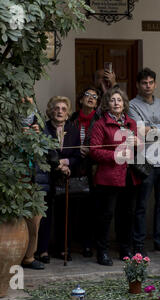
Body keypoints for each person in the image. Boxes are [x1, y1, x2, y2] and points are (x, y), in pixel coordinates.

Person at [89, 87, 141, 266]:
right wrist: (114, 156)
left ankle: (125, 249)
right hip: (108, 176)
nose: (116, 103)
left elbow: (139, 150)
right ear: (106, 104)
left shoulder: (131, 123)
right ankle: (102, 251)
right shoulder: (100, 125)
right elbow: (94, 152)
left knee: (127, 214)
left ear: (124, 103)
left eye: (119, 100)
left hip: (129, 175)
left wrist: (138, 143)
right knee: (106, 215)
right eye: (112, 100)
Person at [128, 67, 160, 254]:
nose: (147, 86)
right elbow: (139, 129)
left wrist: (151, 127)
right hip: (145, 162)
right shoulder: (132, 105)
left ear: (155, 84)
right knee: (141, 206)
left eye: (150, 83)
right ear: (138, 85)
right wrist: (159, 127)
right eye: (144, 83)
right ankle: (138, 244)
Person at [36, 96, 81, 263]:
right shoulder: (43, 129)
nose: (60, 111)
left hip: (66, 179)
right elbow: (42, 153)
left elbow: (78, 156)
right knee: (45, 216)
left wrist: (67, 163)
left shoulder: (73, 130)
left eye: (63, 109)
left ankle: (63, 248)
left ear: (68, 113)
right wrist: (57, 165)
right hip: (47, 178)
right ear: (50, 111)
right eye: (56, 108)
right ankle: (43, 250)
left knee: (65, 215)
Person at [69, 87, 101, 258]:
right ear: (81, 100)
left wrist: (90, 151)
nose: (91, 98)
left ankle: (88, 245)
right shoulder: (72, 119)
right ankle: (71, 244)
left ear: (97, 103)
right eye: (87, 95)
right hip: (73, 167)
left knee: (90, 210)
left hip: (93, 168)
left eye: (94, 97)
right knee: (73, 208)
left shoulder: (99, 119)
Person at [20, 104, 45, 270]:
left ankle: (29, 256)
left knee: (35, 217)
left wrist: (38, 134)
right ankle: (15, 255)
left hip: (34, 174)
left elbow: (47, 145)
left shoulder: (38, 119)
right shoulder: (6, 119)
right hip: (14, 173)